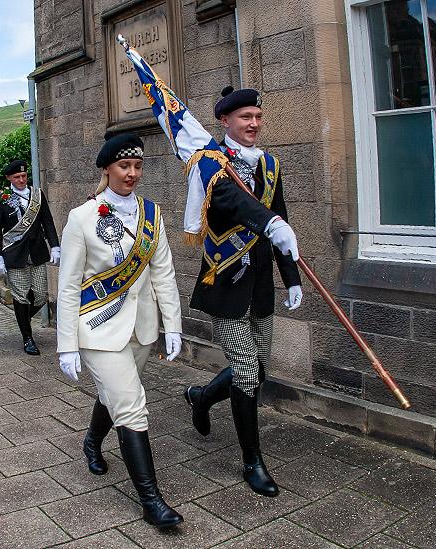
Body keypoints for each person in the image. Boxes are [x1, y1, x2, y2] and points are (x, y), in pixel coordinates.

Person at [56, 132, 183, 528]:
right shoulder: (82, 217)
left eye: (137, 166)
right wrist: (66, 345)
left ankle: (92, 440)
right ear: (107, 169)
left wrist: (173, 324)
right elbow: (68, 285)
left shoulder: (152, 214)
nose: (132, 173)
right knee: (131, 404)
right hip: (97, 327)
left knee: (116, 394)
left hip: (142, 328)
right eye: (124, 166)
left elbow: (163, 272)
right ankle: (151, 502)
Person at [182, 86, 302, 498]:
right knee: (247, 370)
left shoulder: (270, 164)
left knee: (258, 369)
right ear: (225, 121)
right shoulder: (209, 162)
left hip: (261, 286)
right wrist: (270, 224)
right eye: (244, 117)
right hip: (226, 282)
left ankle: (200, 396)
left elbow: (280, 222)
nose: (253, 124)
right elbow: (232, 202)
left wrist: (293, 278)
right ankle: (252, 460)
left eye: (257, 116)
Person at [0, 160, 61, 355]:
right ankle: (27, 337)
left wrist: (55, 245)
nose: (21, 180)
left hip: (37, 252)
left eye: (24, 176)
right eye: (17, 177)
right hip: (14, 254)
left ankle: (23, 320)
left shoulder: (37, 195)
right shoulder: (1, 199)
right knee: (20, 296)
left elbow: (47, 221)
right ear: (9, 178)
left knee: (40, 295)